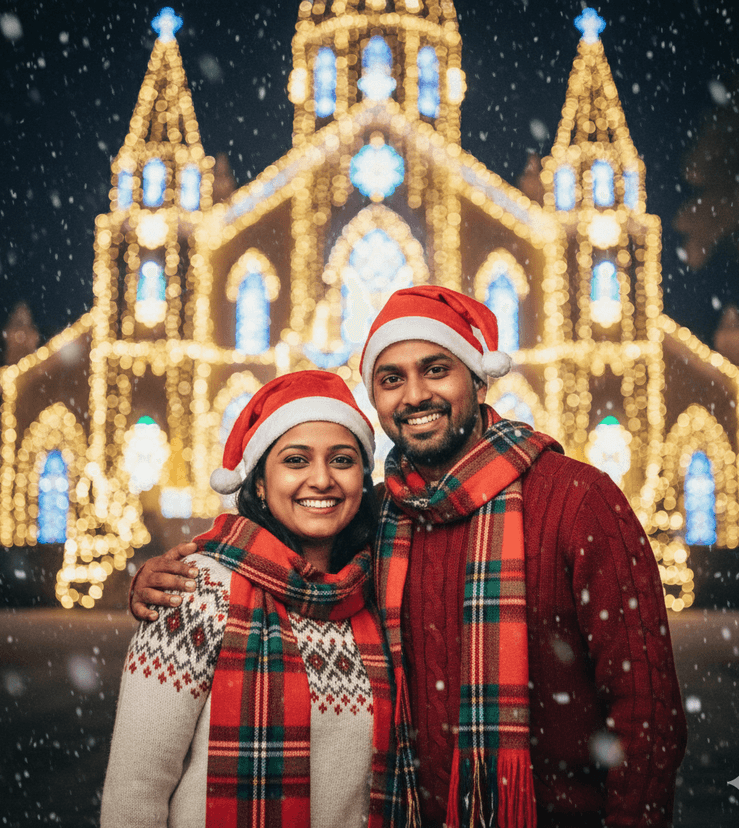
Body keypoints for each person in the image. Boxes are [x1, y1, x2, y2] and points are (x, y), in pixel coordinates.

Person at [132, 286, 688, 828]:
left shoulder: (575, 500)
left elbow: (647, 707)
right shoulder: (378, 519)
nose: (415, 395)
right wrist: (171, 573)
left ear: (476, 375)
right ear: (375, 400)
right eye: (391, 379)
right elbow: (289, 566)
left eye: (436, 369)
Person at [102, 371, 419, 828]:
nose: (322, 479)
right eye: (295, 460)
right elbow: (134, 795)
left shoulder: (376, 595)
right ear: (260, 486)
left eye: (342, 460)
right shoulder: (197, 593)